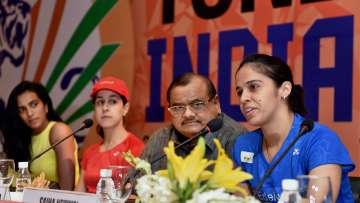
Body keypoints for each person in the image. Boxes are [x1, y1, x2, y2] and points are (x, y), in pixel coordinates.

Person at [232, 53, 355, 202]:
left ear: (284, 89)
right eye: (240, 92)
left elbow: (317, 201)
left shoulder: (321, 140)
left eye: (253, 87)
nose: (244, 98)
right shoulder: (244, 145)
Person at [141, 72, 248, 172]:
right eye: (178, 107)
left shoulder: (238, 138)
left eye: (197, 104)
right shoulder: (159, 139)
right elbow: (131, 186)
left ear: (216, 103)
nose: (188, 114)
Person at [3, 81, 79, 190]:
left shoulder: (59, 131)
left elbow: (67, 189)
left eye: (34, 104)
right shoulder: (23, 138)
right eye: (22, 109)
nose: (29, 113)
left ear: (46, 106)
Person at [75, 76, 144, 193]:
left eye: (113, 101)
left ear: (125, 108)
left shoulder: (137, 149)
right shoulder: (90, 152)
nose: (105, 108)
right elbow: (78, 195)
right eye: (100, 102)